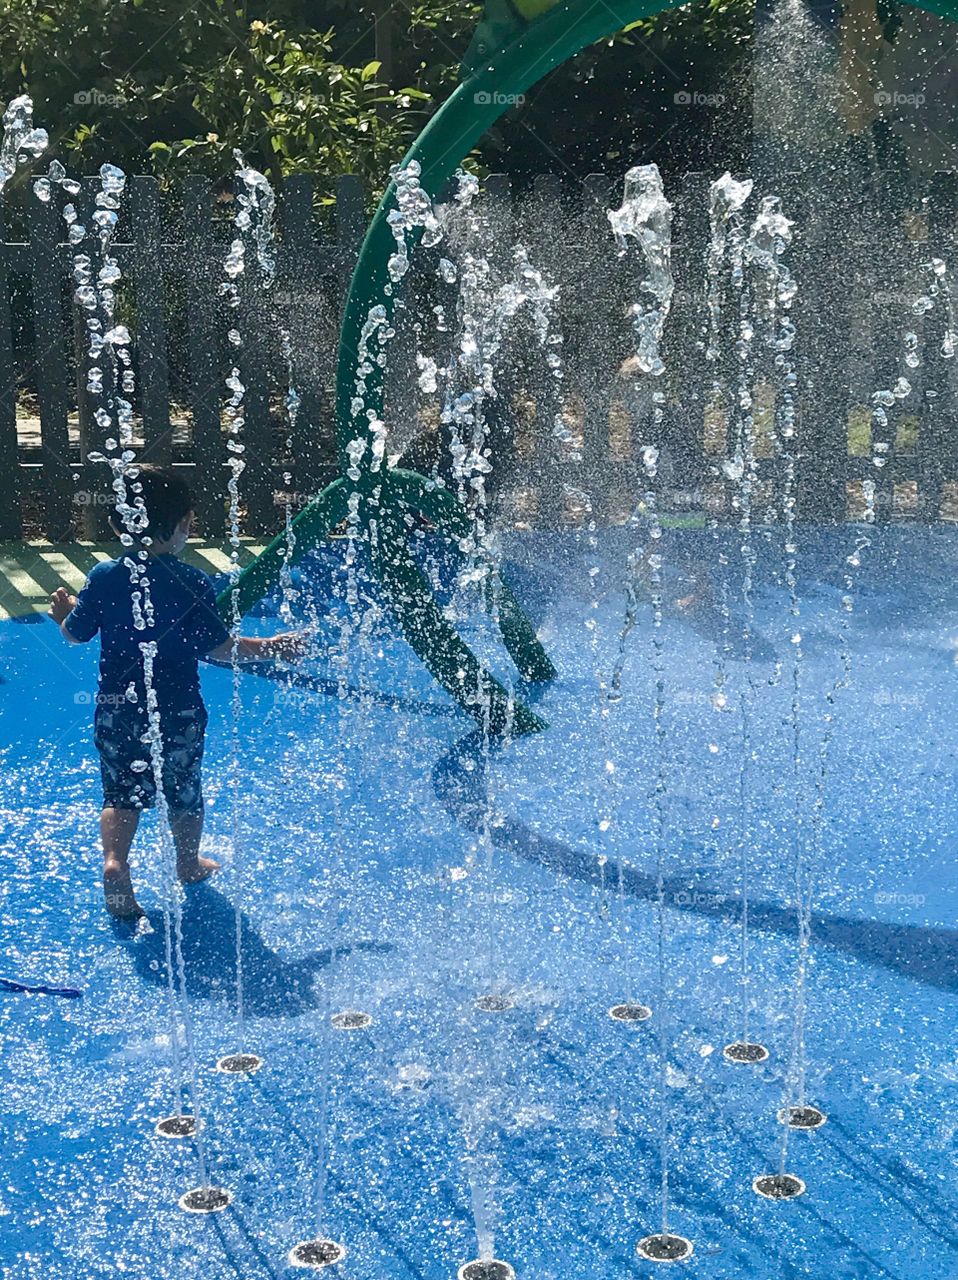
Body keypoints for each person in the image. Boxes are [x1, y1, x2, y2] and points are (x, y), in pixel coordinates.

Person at [48, 465, 310, 920]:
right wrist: (274, 647)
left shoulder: (104, 576)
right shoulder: (192, 582)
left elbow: (74, 635)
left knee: (120, 794)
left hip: (116, 710)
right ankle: (187, 864)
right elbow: (221, 648)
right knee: (184, 789)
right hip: (180, 710)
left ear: (115, 523)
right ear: (185, 523)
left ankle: (115, 864)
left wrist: (64, 614)